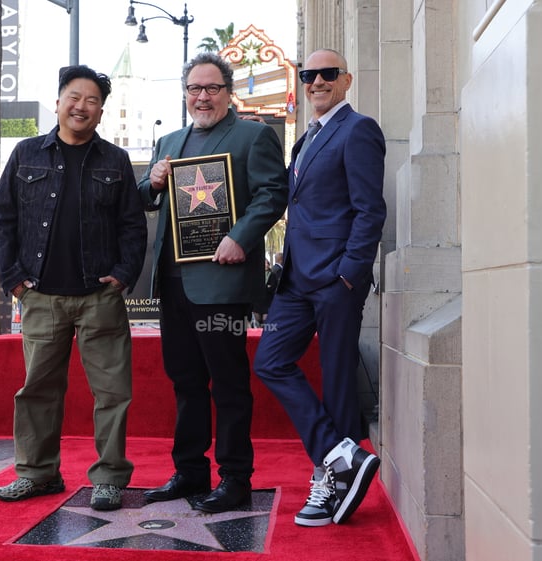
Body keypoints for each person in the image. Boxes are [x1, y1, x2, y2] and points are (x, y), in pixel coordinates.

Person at [0, 65, 147, 511]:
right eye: (74, 97)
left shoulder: (115, 160)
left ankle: (110, 478)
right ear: (59, 101)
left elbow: (132, 227)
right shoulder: (25, 154)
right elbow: (2, 221)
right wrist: (15, 282)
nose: (82, 106)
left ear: (101, 111)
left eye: (92, 100)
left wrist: (122, 275)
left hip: (100, 298)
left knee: (113, 393)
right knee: (37, 390)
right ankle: (37, 474)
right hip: (40, 296)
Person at [139, 52, 289, 513]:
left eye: (211, 88)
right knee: (184, 381)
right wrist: (154, 182)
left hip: (220, 283)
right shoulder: (168, 140)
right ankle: (189, 471)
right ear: (185, 94)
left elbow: (274, 192)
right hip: (172, 282)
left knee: (227, 382)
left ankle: (235, 478)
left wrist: (240, 237)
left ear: (228, 92)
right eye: (194, 89)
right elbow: (145, 198)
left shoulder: (253, 135)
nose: (202, 97)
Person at [253, 49, 386, 527]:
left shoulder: (359, 130)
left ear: (346, 80)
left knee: (337, 381)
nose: (317, 82)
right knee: (269, 362)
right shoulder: (305, 139)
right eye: (309, 75)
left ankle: (331, 486)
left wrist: (349, 272)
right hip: (295, 280)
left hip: (335, 279)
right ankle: (338, 454)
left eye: (327, 74)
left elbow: (370, 209)